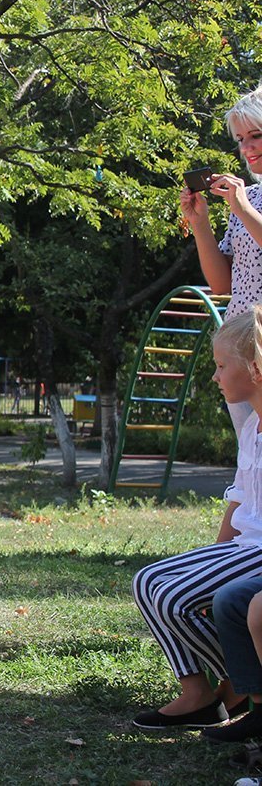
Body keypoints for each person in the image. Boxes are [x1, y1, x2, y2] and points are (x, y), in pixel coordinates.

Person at [131, 307, 262, 730]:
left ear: (256, 368)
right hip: (245, 548)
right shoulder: (251, 428)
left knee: (174, 598)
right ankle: (200, 693)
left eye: (222, 366)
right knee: (147, 582)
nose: (215, 376)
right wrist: (214, 558)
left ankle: (245, 683)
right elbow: (239, 499)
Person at [182, 84, 262, 433]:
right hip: (241, 349)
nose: (247, 149)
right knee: (249, 457)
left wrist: (242, 207)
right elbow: (222, 285)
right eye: (241, 139)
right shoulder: (248, 196)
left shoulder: (243, 201)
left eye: (255, 135)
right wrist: (199, 224)